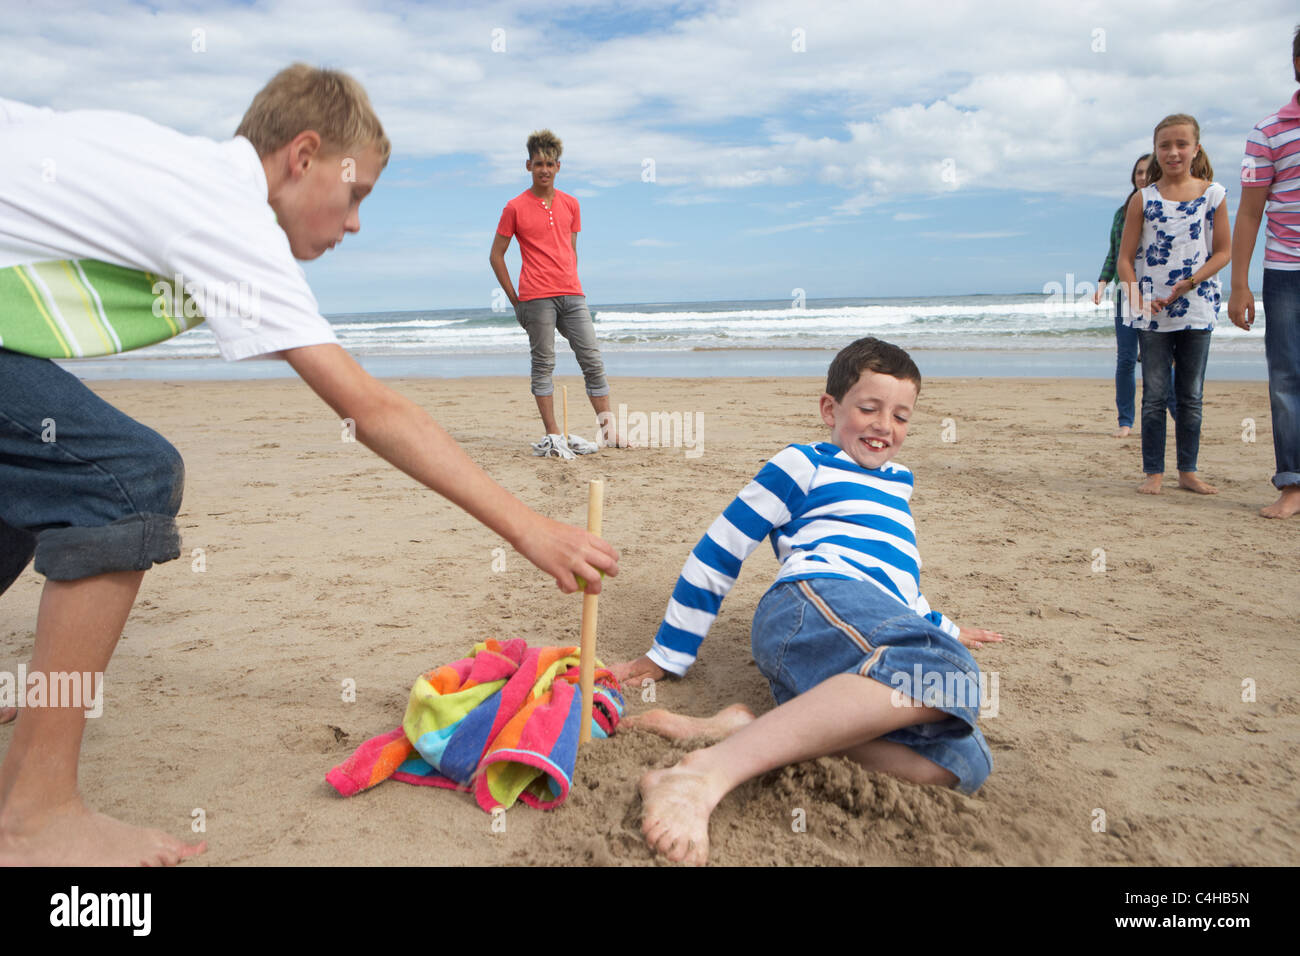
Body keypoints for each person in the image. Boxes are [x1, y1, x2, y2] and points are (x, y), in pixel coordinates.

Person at [0, 65, 618, 866]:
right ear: (303, 156)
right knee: (125, 480)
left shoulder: (183, 177)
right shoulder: (224, 211)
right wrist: (530, 528)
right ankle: (34, 816)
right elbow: (372, 409)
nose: (356, 224)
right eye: (355, 194)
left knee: (28, 477)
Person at [610, 337, 1003, 866]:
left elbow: (896, 582)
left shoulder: (898, 487)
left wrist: (942, 627)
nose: (884, 425)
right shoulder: (805, 464)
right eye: (868, 408)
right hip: (809, 602)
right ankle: (704, 773)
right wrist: (667, 654)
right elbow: (721, 548)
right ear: (830, 408)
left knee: (965, 759)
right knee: (949, 675)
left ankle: (752, 731)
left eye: (902, 416)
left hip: (869, 617)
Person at [489, 130, 626, 456]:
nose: (544, 169)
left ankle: (609, 432)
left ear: (558, 166)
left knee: (592, 359)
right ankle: (554, 435)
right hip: (536, 298)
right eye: (538, 163)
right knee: (543, 364)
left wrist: (570, 282)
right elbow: (496, 255)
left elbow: (571, 250)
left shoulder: (572, 205)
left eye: (550, 164)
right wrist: (516, 300)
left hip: (572, 294)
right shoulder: (514, 207)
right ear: (528, 165)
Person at [1116, 114, 1232, 496]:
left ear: (1195, 148)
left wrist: (1191, 283)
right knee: (1153, 394)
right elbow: (1125, 258)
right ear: (1156, 151)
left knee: (1191, 395)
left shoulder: (1213, 194)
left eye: (1181, 144)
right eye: (1165, 145)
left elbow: (1223, 252)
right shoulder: (1142, 199)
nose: (1173, 152)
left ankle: (1188, 472)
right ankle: (1153, 473)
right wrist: (1137, 297)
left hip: (1197, 306)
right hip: (1152, 312)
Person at [1228, 25, 1300, 519]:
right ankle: (1293, 484)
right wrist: (1239, 284)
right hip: (1286, 272)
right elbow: (1250, 212)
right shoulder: (1269, 130)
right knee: (1287, 377)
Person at [1094, 153, 1176, 436]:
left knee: (1160, 359)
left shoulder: (1164, 208)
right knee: (1127, 359)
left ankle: (1178, 415)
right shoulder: (1122, 211)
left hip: (1155, 294)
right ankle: (1125, 421)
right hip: (1125, 294)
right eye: (1138, 172)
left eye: (1147, 172)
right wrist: (1103, 281)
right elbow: (1115, 252)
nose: (1142, 177)